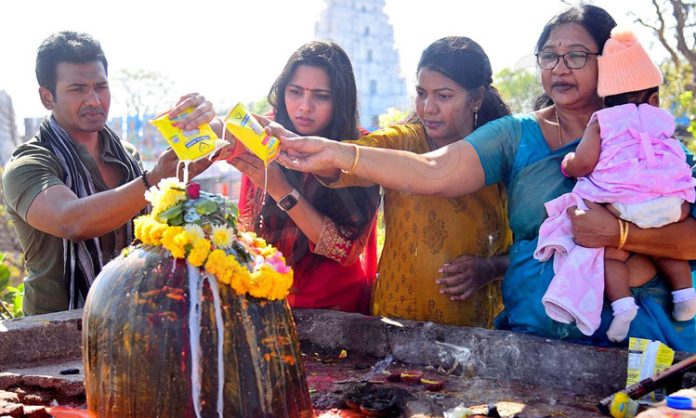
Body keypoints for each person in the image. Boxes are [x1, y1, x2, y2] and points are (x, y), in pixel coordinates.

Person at [273, 5, 696, 351]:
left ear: (608, 63)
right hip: (538, 340)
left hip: (644, 338)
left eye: (577, 56)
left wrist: (618, 234)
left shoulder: (646, 136)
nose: (560, 67)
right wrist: (338, 152)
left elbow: (688, 233)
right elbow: (434, 169)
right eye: (549, 55)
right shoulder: (516, 135)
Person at [1, 31, 213, 315]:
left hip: (130, 319)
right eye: (77, 89)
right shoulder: (28, 164)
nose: (94, 100)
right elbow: (71, 221)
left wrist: (203, 129)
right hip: (57, 334)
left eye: (100, 86)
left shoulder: (127, 156)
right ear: (47, 96)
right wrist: (153, 181)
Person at [316, 36, 512, 326]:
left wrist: (489, 268)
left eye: (443, 96)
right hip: (396, 322)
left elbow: (537, 249)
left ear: (478, 98)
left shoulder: (502, 152)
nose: (427, 108)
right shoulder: (403, 142)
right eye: (421, 93)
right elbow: (346, 161)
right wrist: (307, 151)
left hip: (474, 332)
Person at [535, 27, 696, 342]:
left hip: (623, 205)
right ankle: (685, 295)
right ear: (654, 98)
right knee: (665, 249)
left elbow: (583, 163)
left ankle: (622, 306)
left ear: (605, 100)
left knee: (611, 257)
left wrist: (568, 164)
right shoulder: (663, 119)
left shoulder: (603, 120)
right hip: (672, 203)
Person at [221, 41, 380, 314]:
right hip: (264, 298)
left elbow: (346, 250)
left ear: (340, 100)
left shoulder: (359, 150)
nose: (304, 107)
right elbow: (223, 134)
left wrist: (282, 189)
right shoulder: (268, 134)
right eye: (295, 92)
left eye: (320, 96)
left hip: (335, 310)